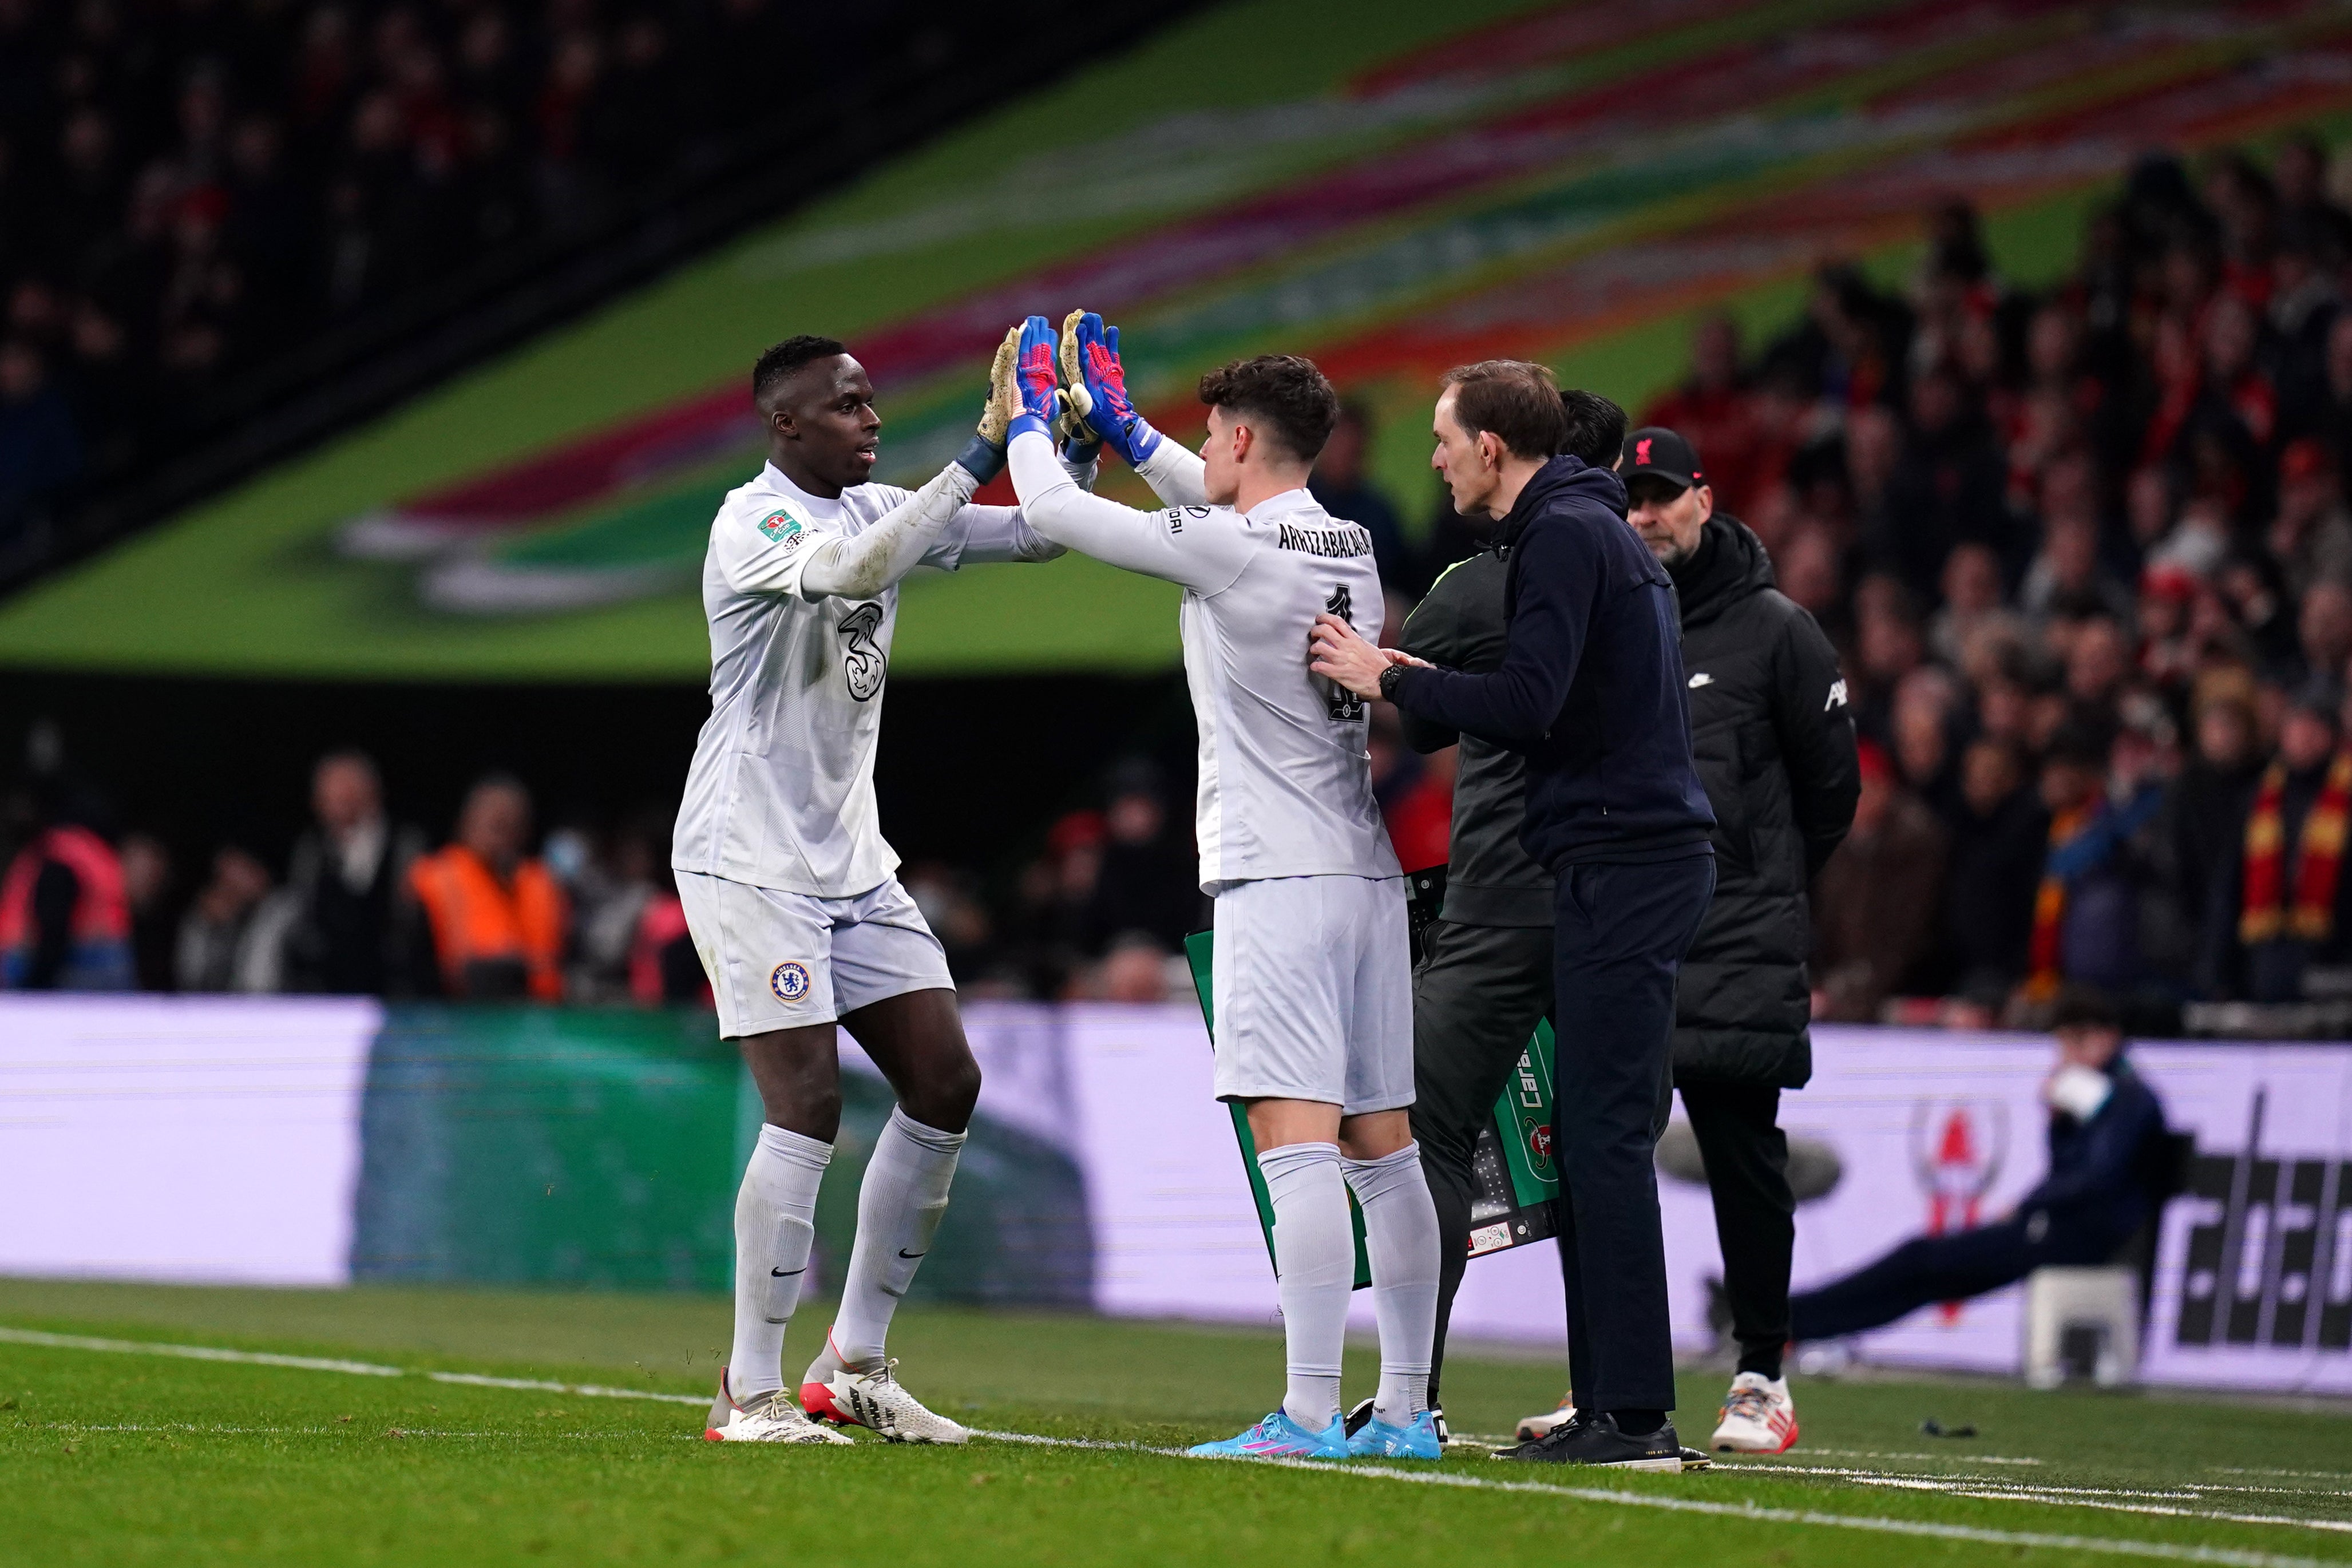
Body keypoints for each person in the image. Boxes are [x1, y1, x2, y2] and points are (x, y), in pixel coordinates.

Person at [1011, 312, 1440, 1462]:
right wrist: (1120, 421)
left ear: (1244, 441)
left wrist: (1024, 422)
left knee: (1294, 1142)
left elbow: (1053, 512)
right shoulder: (1346, 541)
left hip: (1278, 874)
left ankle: (1306, 1415)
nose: (1202, 452)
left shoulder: (1239, 547)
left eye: (1213, 435)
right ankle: (1405, 1411)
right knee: (1384, 1148)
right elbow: (1214, 496)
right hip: (1362, 871)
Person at [1314, 359, 1717, 1471]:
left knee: (1476, 1125)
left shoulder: (1559, 540)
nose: (1433, 458)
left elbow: (1528, 701)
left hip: (1604, 865)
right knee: (1599, 1138)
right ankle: (1618, 1403)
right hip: (1612, 860)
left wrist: (1383, 674)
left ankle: (1617, 1412)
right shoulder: (1598, 537)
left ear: (1495, 446)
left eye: (1445, 438)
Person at [674, 328, 1072, 1446]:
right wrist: (983, 444)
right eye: (846, 405)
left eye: (871, 401)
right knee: (804, 1101)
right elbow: (852, 573)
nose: (872, 418)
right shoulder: (754, 519)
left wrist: (1061, 439)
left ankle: (853, 1364)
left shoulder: (875, 505)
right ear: (785, 423)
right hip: (747, 850)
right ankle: (745, 1393)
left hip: (850, 856)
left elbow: (1040, 536)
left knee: (944, 1082)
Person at [1603, 423, 1858, 1455]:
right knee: (1604, 1159)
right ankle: (1613, 1386)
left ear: (1706, 498)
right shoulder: (1613, 621)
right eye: (1632, 499)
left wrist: (1757, 882)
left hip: (1736, 938)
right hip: (1626, 940)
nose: (1646, 515)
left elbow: (1831, 797)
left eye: (1663, 495)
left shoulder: (1777, 631)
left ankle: (1761, 1379)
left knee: (1745, 1164)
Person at [1389, 386, 1626, 1439]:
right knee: (1602, 1149)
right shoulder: (1643, 576)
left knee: (1423, 1127)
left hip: (1504, 897)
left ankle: (1412, 1400)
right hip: (1620, 893)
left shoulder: (1496, 578)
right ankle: (1609, 1394)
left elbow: (1413, 704)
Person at [1788, 987, 2167, 1343]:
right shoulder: (2114, 1096)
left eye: (2071, 1045)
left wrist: (2028, 1206)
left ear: (2102, 1039)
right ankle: (1799, 1324)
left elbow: (2095, 1178)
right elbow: (2072, 1170)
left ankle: (1790, 1320)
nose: (2064, 1059)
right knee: (1925, 1272)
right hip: (2061, 1227)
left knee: (1923, 1260)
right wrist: (2060, 1124)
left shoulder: (2129, 1099)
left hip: (2080, 1235)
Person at [407, 775, 569, 1003]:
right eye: (495, 824)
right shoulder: (434, 876)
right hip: (460, 1012)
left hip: (538, 1015)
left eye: (513, 825)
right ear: (466, 824)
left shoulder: (541, 880)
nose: (504, 836)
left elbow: (554, 963)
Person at [279, 750, 427, 996]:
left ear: (371, 794)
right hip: (327, 996)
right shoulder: (311, 853)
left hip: (394, 995)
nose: (336, 804)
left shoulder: (405, 846)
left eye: (346, 795)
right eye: (328, 797)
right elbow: (304, 918)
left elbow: (412, 925)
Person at [0, 778, 131, 991]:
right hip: (108, 970)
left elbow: (54, 934)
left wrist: (34, 987)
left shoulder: (59, 856)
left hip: (80, 978)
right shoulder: (86, 850)